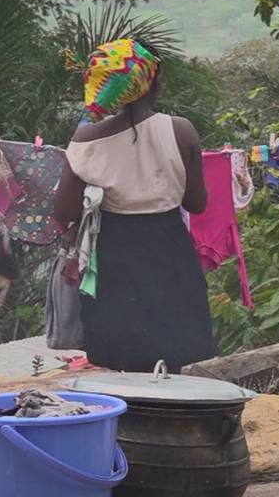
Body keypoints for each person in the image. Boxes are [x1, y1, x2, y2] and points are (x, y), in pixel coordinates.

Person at [52, 38, 218, 373]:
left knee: (118, 353)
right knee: (181, 347)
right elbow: (197, 203)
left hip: (115, 255)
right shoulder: (181, 130)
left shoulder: (86, 139)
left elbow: (63, 213)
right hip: (170, 250)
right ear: (153, 81)